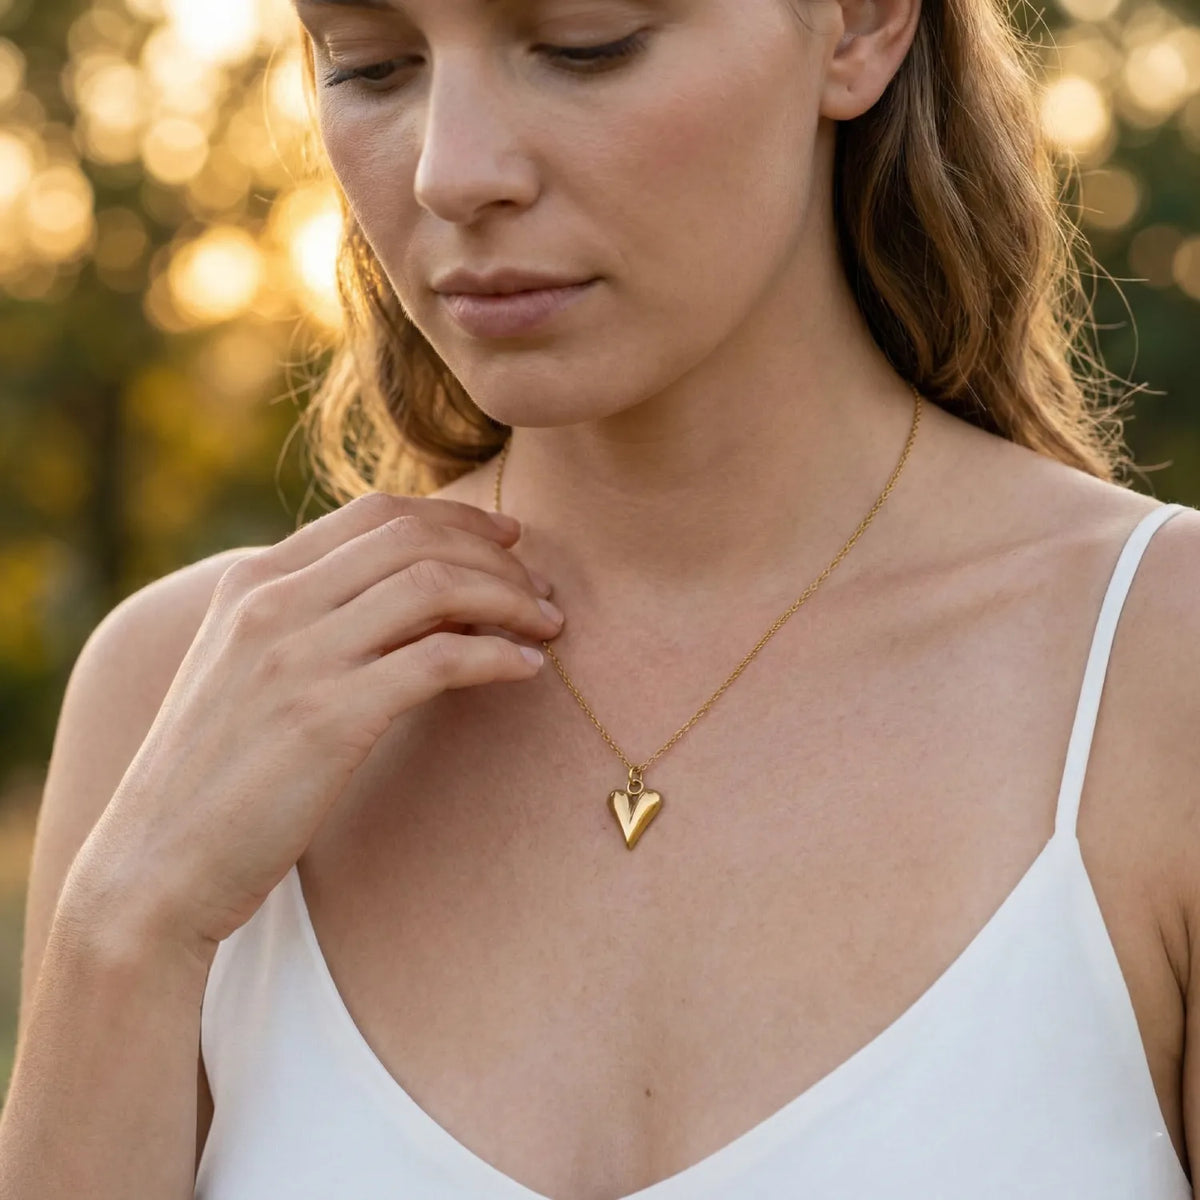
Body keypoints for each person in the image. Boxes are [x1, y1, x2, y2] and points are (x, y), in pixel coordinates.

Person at [3, 0, 1199, 1196]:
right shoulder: (173, 690)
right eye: (369, 66)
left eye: (587, 43)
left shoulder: (1160, 670)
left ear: (857, 26)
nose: (451, 173)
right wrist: (125, 929)